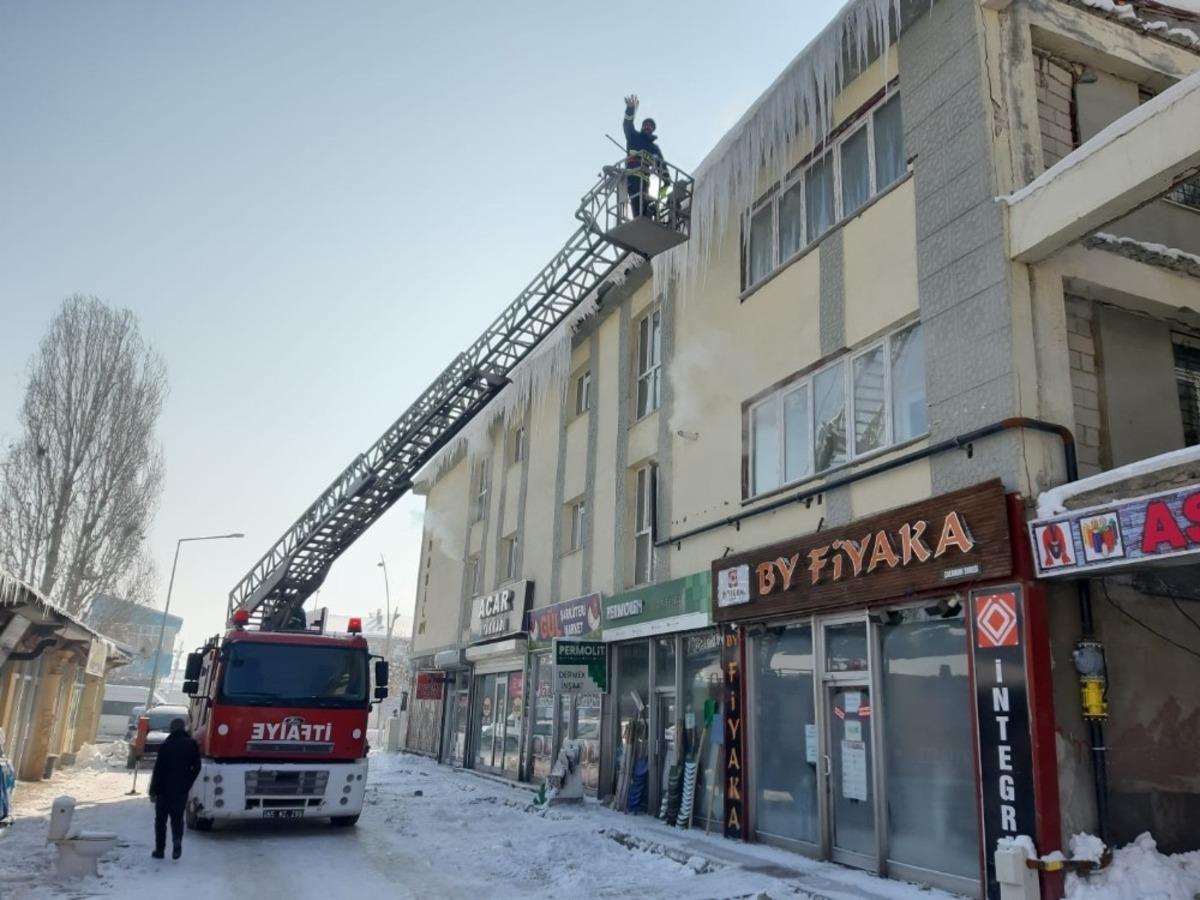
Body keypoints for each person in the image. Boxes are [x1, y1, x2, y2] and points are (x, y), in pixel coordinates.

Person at [148, 717, 201, 860]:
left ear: (171, 729)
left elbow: (158, 770)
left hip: (163, 790)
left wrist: (153, 791)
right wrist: (188, 782)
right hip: (181, 790)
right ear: (183, 728)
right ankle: (177, 842)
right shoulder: (192, 744)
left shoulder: (166, 745)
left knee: (160, 821)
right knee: (177, 819)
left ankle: (160, 850)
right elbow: (197, 767)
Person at [623, 94, 669, 218]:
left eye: (651, 126)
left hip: (645, 183)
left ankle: (652, 213)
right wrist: (630, 109)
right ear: (642, 126)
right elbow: (627, 124)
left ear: (653, 129)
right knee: (638, 209)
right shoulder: (633, 137)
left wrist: (667, 183)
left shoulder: (654, 148)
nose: (648, 127)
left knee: (645, 209)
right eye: (646, 124)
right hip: (633, 179)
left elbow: (662, 166)